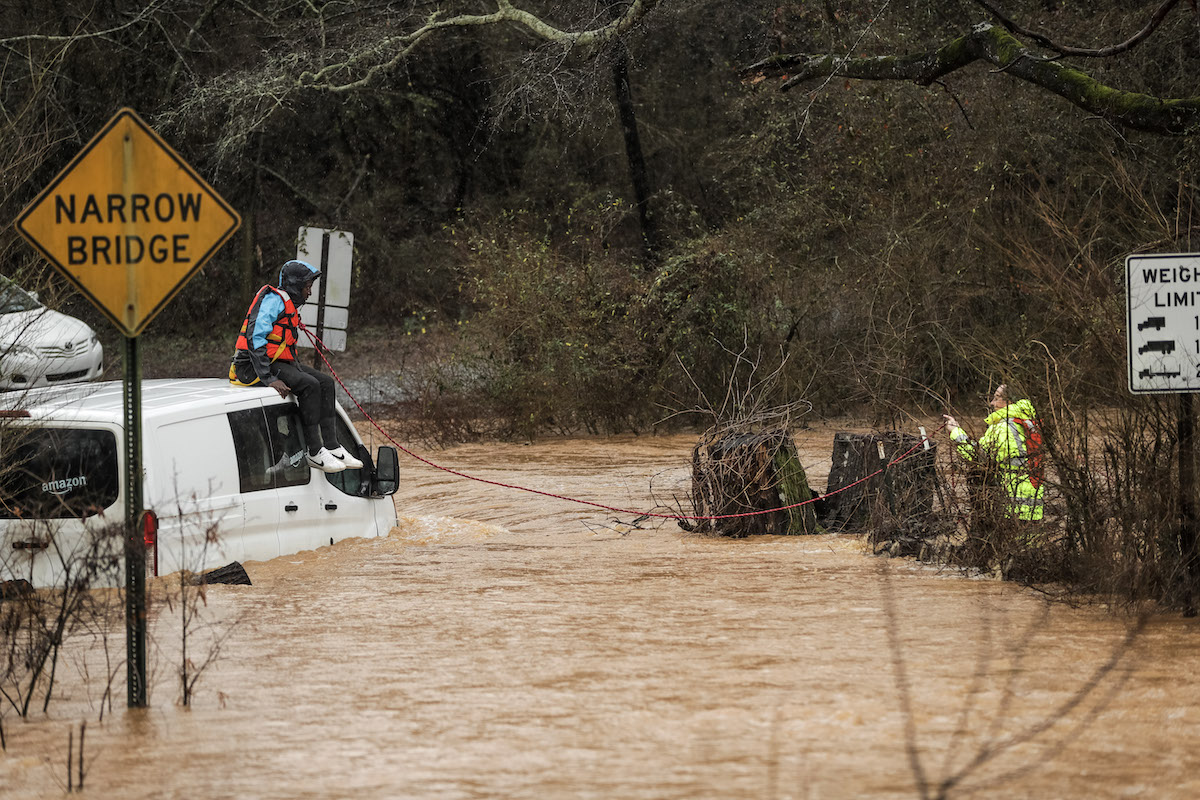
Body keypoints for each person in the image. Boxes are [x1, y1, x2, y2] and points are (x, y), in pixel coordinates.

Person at [229, 259, 363, 473]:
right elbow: (255, 337)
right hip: (252, 366)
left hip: (277, 362)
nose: (309, 293)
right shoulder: (272, 300)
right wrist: (270, 378)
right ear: (293, 285)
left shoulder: (287, 304)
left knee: (326, 383)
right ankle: (314, 451)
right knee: (309, 385)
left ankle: (332, 446)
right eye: (307, 287)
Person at [943, 383, 1044, 524]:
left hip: (1011, 507)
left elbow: (976, 457)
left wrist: (955, 432)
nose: (992, 403)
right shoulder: (1028, 422)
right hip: (1033, 507)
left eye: (996, 398)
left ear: (1009, 402)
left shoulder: (1004, 428)